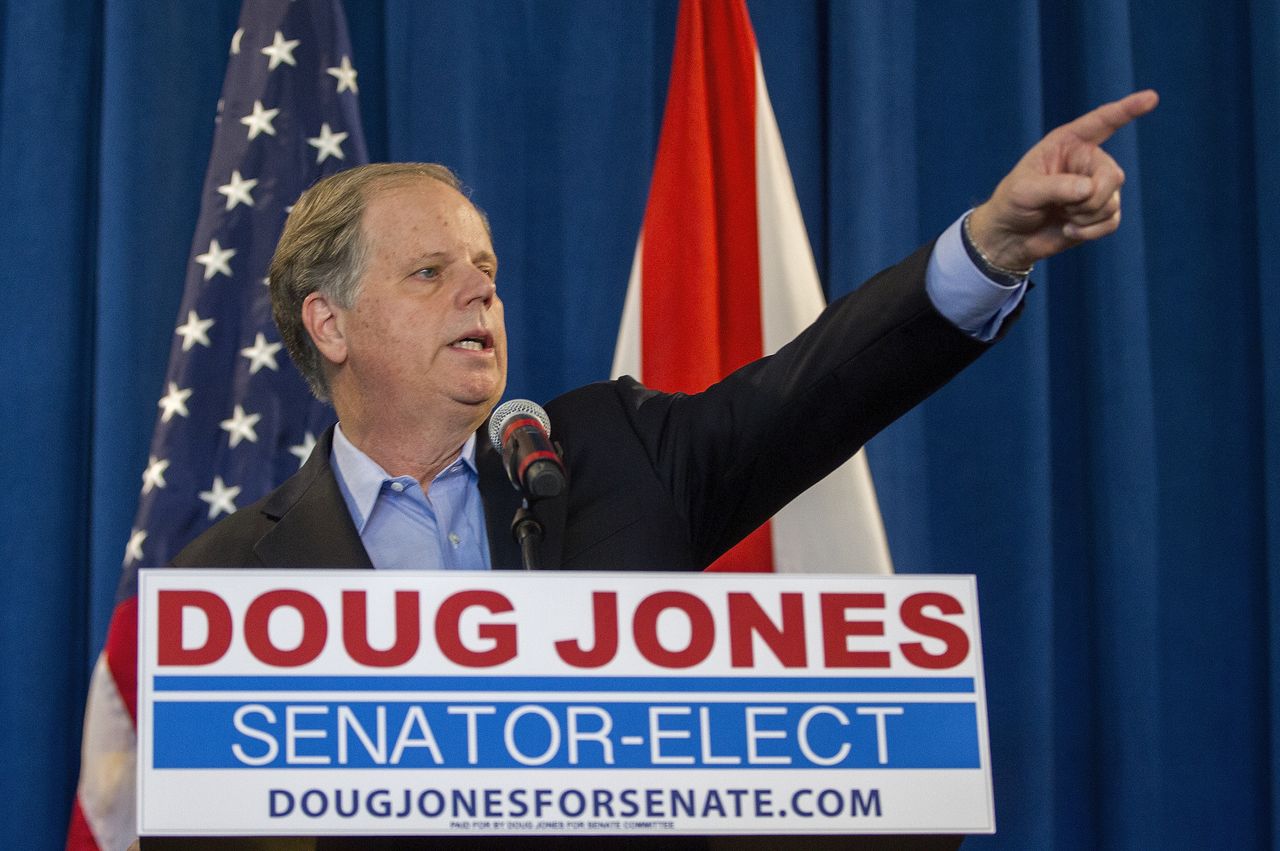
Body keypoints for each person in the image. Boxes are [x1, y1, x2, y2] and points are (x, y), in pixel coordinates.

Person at [173, 90, 1158, 577]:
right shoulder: (227, 572)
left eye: (487, 271)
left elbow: (819, 387)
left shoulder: (615, 452)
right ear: (329, 323)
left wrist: (987, 245)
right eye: (431, 272)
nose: (479, 292)